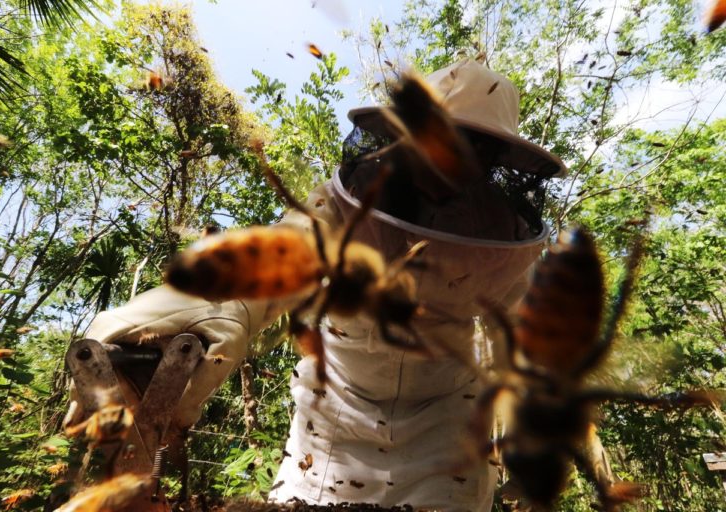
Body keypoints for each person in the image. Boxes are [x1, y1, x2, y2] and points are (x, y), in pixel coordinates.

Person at [65, 59, 604, 511]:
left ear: (491, 157)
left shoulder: (501, 232)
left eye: (469, 145)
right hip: (329, 429)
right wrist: (204, 312)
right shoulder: (344, 201)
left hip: (448, 431)